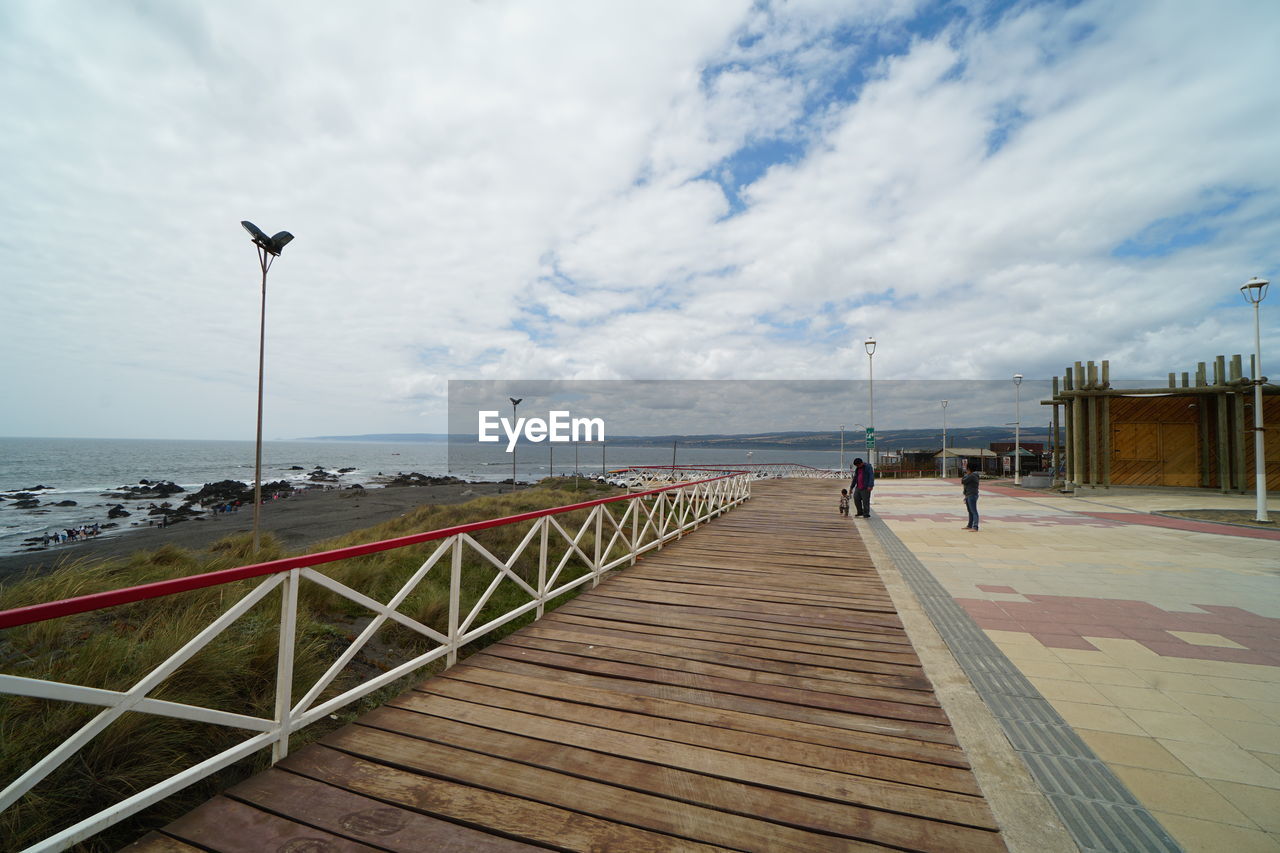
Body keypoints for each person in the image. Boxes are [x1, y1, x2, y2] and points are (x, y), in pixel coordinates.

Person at [961, 463, 980, 531]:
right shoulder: (970, 475)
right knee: (970, 511)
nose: (966, 470)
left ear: (969, 469)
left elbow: (963, 481)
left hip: (972, 495)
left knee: (974, 511)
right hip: (968, 495)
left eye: (967, 468)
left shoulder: (972, 475)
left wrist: (966, 475)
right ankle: (970, 525)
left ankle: (975, 526)